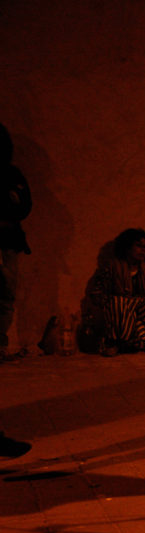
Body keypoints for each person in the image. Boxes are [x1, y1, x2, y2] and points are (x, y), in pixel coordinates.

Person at [86, 228, 145, 356]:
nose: (143, 250)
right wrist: (113, 302)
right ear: (126, 247)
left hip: (140, 313)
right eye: (138, 246)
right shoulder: (111, 267)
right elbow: (96, 293)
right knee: (118, 302)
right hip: (122, 315)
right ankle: (114, 342)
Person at [0, 123, 31, 362]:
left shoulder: (11, 174)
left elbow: (24, 206)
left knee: (6, 293)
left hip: (8, 241)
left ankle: (0, 343)